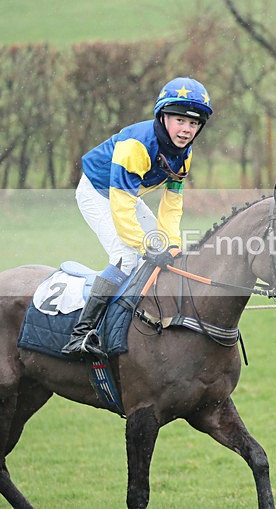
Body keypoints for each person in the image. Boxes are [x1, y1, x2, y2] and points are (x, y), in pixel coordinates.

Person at [61, 76, 212, 357]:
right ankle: (81, 334)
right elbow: (120, 204)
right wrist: (146, 246)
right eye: (180, 120)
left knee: (164, 249)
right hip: (97, 192)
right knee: (126, 256)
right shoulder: (137, 146)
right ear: (163, 116)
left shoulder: (185, 154)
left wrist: (172, 244)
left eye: (193, 124)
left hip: (128, 196)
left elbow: (172, 204)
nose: (186, 129)